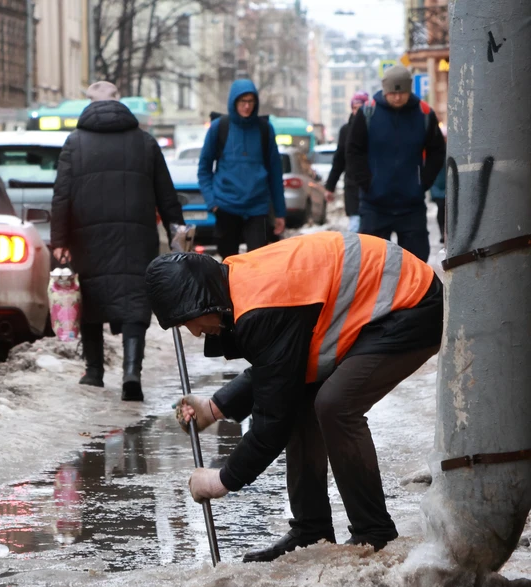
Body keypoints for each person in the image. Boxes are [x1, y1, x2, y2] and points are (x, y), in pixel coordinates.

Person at [146, 231, 442, 562]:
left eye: (189, 321)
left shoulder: (262, 308)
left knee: (335, 405)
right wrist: (213, 408)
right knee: (300, 398)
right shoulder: (236, 286)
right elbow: (281, 370)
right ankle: (311, 530)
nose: (196, 332)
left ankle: (374, 533)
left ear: (203, 301)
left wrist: (221, 481)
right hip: (378, 304)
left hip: (409, 303)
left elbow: (272, 422)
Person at [51, 81, 185, 402]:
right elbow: (166, 193)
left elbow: (61, 196)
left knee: (92, 299)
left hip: (87, 236)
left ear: (89, 105)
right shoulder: (145, 142)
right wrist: (176, 229)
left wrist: (59, 239)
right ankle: (131, 372)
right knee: (136, 301)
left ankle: (94, 371)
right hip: (137, 237)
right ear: (118, 103)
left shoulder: (74, 143)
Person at [347, 66, 446, 262]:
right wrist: (366, 182)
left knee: (416, 263)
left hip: (411, 205)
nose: (398, 97)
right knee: (371, 263)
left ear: (409, 90)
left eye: (402, 92)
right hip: (374, 204)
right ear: (385, 90)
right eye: (393, 92)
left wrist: (423, 182)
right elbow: (352, 151)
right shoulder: (368, 113)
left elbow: (437, 151)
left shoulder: (424, 114)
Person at [197, 79, 287, 259]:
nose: (247, 106)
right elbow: (204, 169)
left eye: (250, 102)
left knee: (259, 264)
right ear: (234, 102)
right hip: (226, 206)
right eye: (242, 102)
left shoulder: (264, 129)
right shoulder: (219, 128)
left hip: (258, 207)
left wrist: (280, 212)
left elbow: (275, 173)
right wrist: (212, 202)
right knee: (229, 264)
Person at [324, 91, 370, 233]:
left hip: (371, 185)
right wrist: (330, 186)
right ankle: (356, 255)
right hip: (352, 186)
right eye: (355, 108)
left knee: (371, 228)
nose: (357, 112)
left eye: (361, 108)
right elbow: (339, 160)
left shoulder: (373, 128)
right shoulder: (345, 130)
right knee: (355, 227)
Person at [431, 124, 448, 244]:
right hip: (437, 185)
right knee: (441, 209)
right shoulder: (434, 150)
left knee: (446, 209)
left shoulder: (451, 149)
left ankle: (446, 233)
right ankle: (443, 232)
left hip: (446, 185)